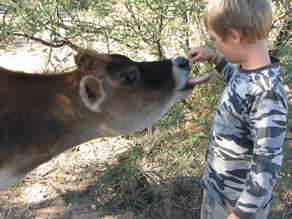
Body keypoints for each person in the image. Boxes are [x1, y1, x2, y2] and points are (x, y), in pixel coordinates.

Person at [188, 0, 288, 218]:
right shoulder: (249, 74)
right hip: (219, 194)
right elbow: (238, 85)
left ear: (234, 36)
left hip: (236, 207)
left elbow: (266, 167)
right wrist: (214, 58)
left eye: (216, 40)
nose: (215, 44)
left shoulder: (267, 93)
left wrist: (239, 214)